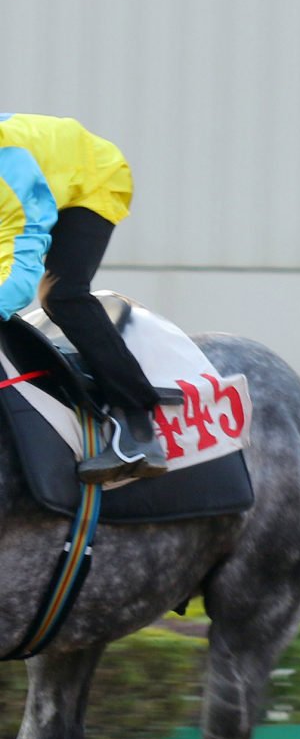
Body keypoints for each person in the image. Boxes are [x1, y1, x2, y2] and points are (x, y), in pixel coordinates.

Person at [0, 113, 168, 481]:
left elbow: (18, 277)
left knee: (61, 294)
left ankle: (138, 426)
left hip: (92, 178)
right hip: (45, 168)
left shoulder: (9, 178)